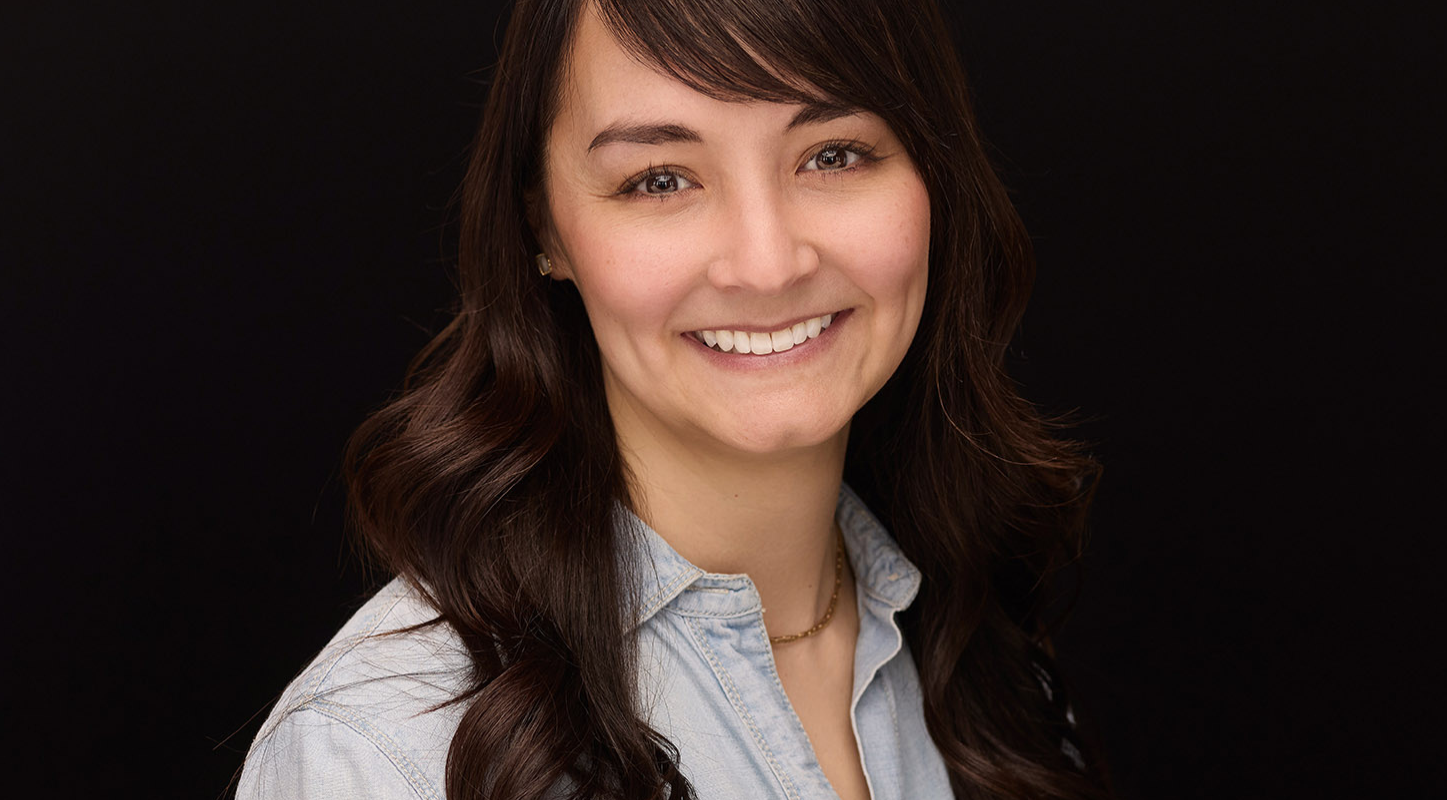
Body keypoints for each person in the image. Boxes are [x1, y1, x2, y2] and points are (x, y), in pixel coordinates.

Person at [236, 0, 1107, 798]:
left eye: (834, 154)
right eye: (660, 179)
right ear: (543, 229)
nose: (767, 265)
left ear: (934, 182)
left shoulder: (983, 659)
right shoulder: (383, 756)